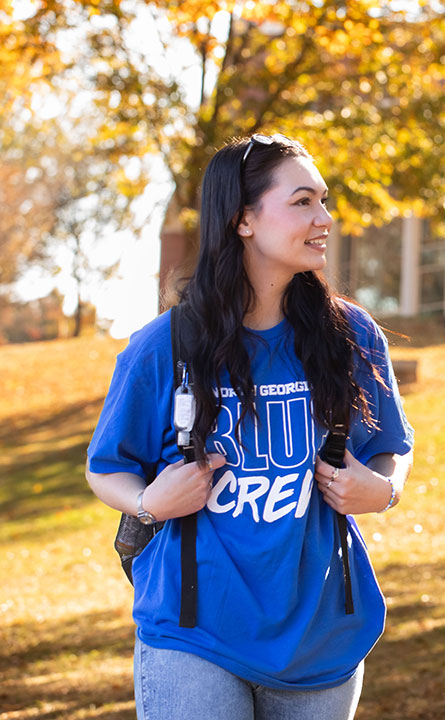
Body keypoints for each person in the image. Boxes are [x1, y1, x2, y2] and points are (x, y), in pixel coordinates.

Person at [85, 133, 414, 719]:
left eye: (324, 200)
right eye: (303, 201)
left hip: (320, 637)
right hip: (196, 634)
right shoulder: (166, 345)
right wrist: (148, 503)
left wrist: (384, 490)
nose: (325, 218)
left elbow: (392, 447)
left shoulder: (351, 336)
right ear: (242, 220)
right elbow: (106, 466)